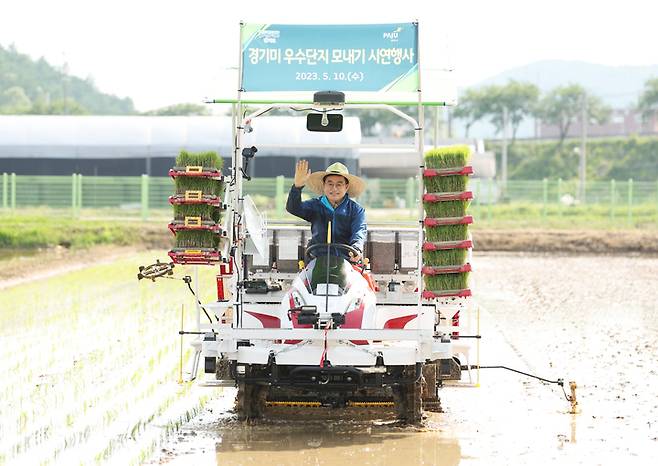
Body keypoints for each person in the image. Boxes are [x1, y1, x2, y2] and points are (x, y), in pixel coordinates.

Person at [286, 160, 367, 262]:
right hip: (316, 262)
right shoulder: (314, 205)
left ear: (346, 187)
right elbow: (293, 208)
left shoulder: (357, 211)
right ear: (324, 185)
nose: (334, 188)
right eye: (330, 184)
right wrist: (297, 187)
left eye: (339, 184)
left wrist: (356, 249)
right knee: (301, 278)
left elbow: (359, 232)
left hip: (347, 263)